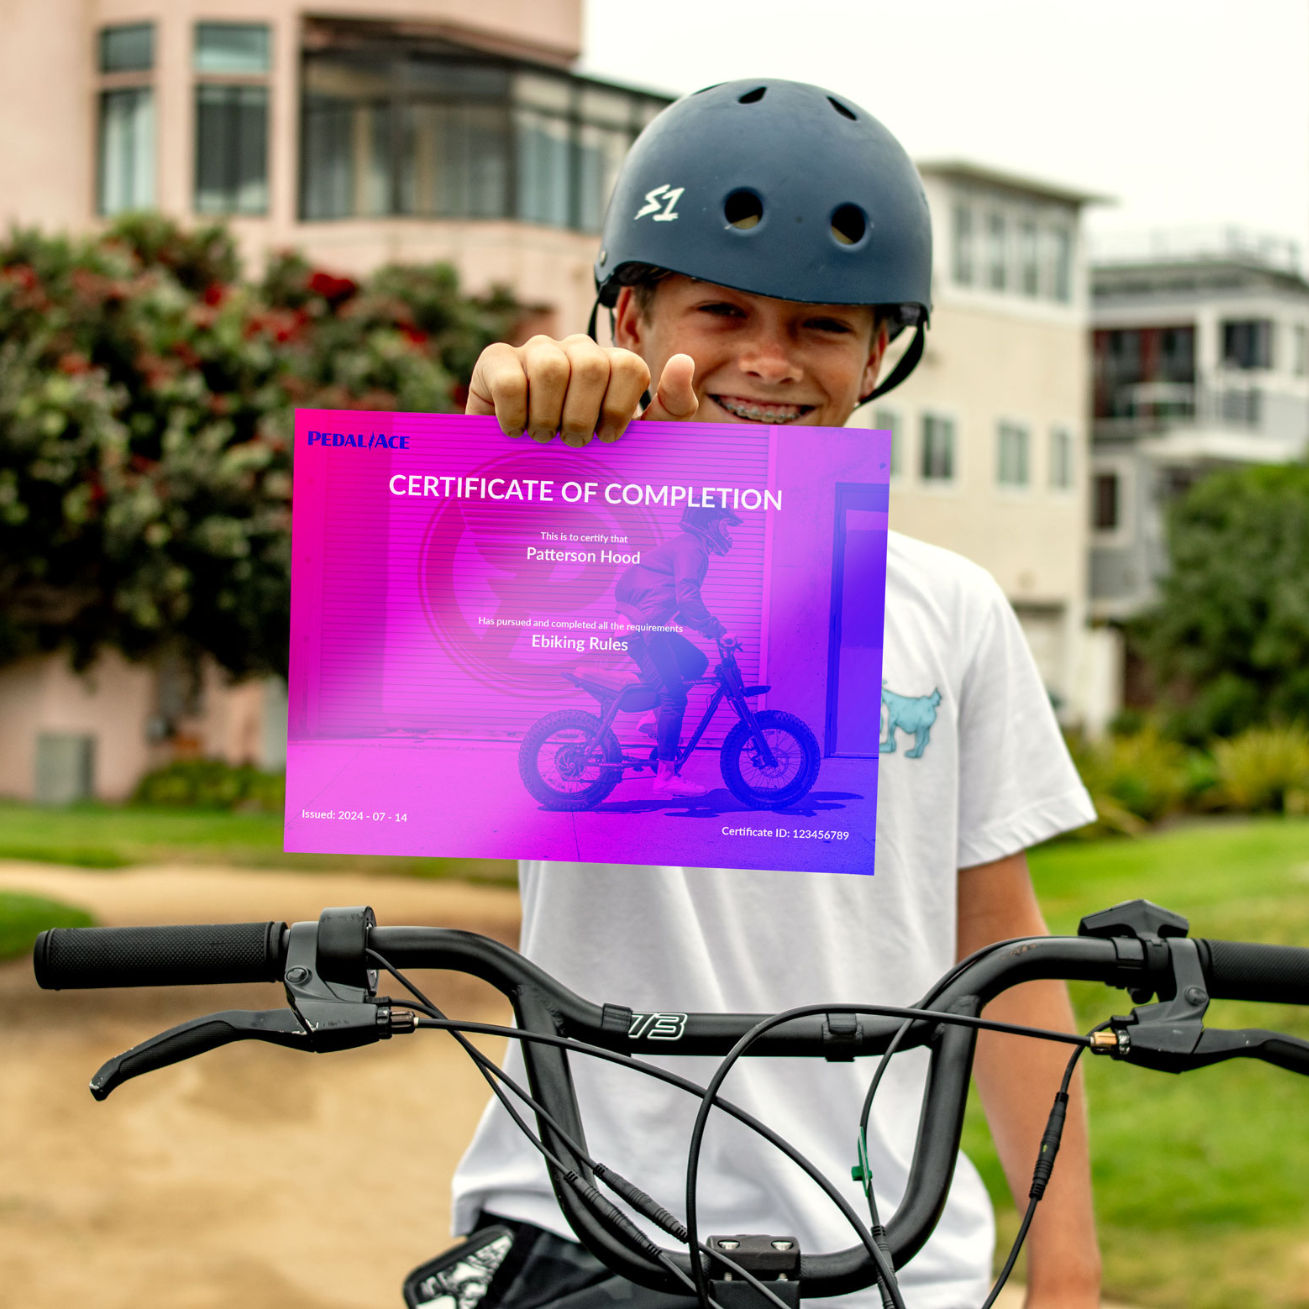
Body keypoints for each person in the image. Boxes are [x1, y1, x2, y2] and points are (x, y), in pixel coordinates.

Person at [441, 80, 1101, 1309]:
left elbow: (1000, 942)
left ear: (877, 352)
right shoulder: (562, 533)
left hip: (894, 1250)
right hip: (583, 1224)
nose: (767, 360)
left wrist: (1063, 1266)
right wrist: (505, 446)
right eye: (723, 311)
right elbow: (431, 641)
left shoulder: (946, 607)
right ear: (630, 315)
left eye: (820, 326)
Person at [614, 505, 742, 796]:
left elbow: (677, 604)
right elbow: (687, 598)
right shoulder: (692, 549)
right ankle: (666, 775)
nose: (728, 533)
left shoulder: (685, 546)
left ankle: (653, 720)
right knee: (674, 698)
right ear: (709, 523)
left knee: (696, 662)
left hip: (649, 623)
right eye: (726, 525)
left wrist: (708, 630)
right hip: (644, 629)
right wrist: (719, 631)